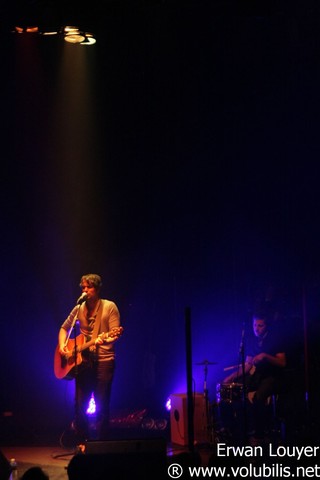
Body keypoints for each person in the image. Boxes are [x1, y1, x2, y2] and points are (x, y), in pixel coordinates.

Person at [58, 273, 123, 443]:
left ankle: (102, 445)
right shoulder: (79, 308)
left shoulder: (109, 307)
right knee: (80, 406)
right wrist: (64, 345)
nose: (85, 290)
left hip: (103, 361)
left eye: (89, 287)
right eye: (83, 287)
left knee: (101, 405)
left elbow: (114, 334)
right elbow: (64, 328)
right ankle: (83, 444)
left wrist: (104, 339)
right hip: (83, 363)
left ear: (98, 288)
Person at [223, 310, 286, 444]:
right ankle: (241, 432)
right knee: (237, 391)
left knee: (258, 398)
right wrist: (232, 377)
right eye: (254, 325)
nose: (256, 329)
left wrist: (265, 356)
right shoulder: (252, 341)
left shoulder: (274, 339)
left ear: (266, 326)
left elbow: (282, 362)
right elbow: (247, 366)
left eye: (260, 326)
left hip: (272, 376)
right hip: (258, 376)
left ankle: (259, 434)